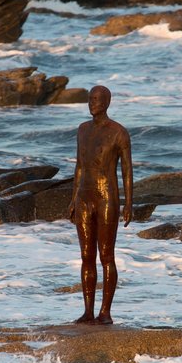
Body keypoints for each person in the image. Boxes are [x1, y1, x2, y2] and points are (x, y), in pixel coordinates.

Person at [67, 85, 133, 324]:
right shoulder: (82, 130)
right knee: (86, 256)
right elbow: (79, 166)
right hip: (84, 197)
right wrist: (74, 198)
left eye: (96, 99)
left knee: (106, 256)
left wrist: (128, 203)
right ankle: (87, 312)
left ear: (106, 102)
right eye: (90, 99)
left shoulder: (119, 132)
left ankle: (105, 312)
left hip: (108, 198)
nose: (91, 103)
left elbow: (127, 170)